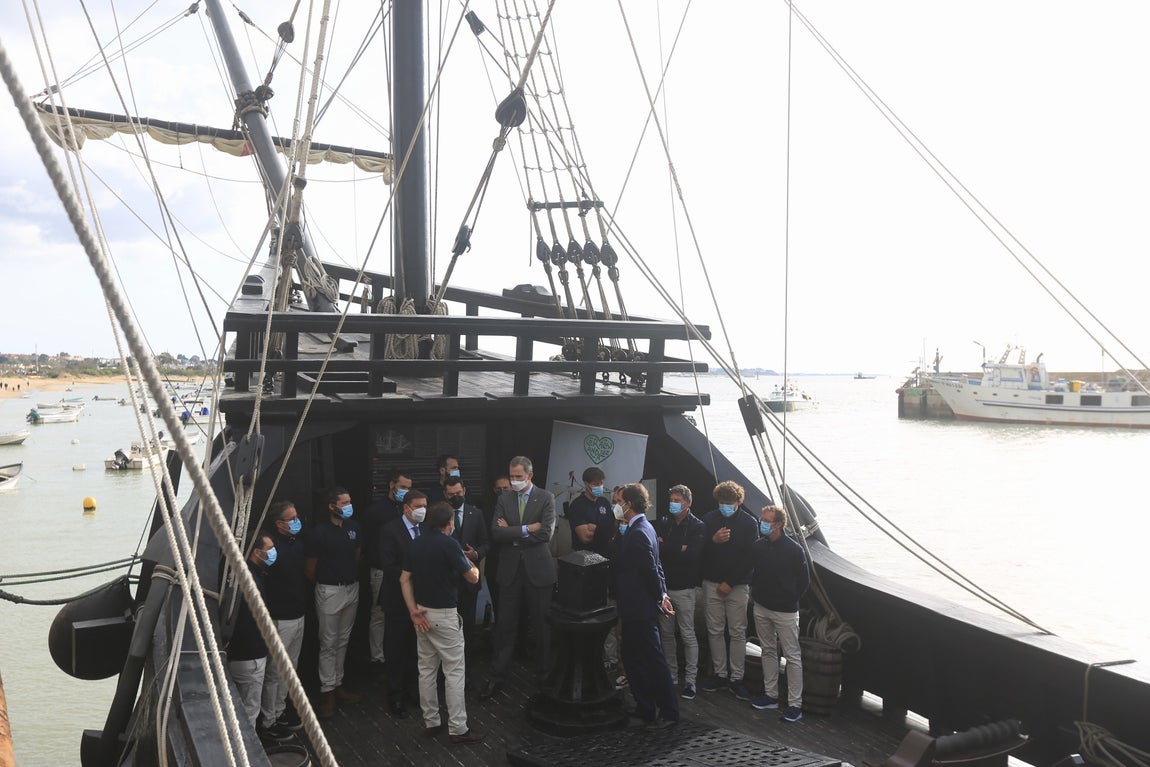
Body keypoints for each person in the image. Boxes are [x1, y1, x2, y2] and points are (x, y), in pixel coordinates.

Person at [400, 501, 486, 745]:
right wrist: (473, 565)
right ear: (449, 523)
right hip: (445, 616)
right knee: (454, 672)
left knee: (426, 670)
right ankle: (458, 728)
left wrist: (413, 611)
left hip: (422, 614)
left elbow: (404, 579)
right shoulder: (450, 544)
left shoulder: (416, 544)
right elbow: (471, 578)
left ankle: (431, 722)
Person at [479, 456, 556, 699]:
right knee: (505, 625)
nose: (514, 482)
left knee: (543, 626)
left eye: (518, 477)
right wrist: (526, 528)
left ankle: (545, 677)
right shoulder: (504, 498)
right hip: (510, 570)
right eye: (512, 477)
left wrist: (512, 532)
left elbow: (545, 533)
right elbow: (495, 532)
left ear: (530, 476)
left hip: (538, 570)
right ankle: (497, 676)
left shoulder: (546, 498)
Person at [613, 483, 679, 727]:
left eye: (619, 502)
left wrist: (659, 597)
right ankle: (645, 706)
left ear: (629, 504)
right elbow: (657, 565)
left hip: (640, 608)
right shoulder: (645, 527)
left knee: (653, 660)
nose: (616, 506)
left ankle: (670, 712)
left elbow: (650, 569)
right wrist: (662, 594)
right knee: (632, 659)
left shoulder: (639, 532)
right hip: (633, 607)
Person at [305, 486, 362, 718]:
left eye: (349, 502)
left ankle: (338, 684)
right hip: (329, 590)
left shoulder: (354, 528)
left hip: (351, 588)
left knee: (343, 639)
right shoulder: (319, 533)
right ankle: (327, 691)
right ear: (332, 506)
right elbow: (310, 568)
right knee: (328, 642)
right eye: (344, 503)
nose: (348, 506)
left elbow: (356, 556)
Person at [750, 504, 811, 723]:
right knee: (767, 650)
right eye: (762, 519)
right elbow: (753, 570)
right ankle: (771, 695)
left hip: (785, 611)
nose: (762, 524)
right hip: (762, 606)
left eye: (766, 521)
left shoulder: (795, 550)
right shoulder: (758, 547)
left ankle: (795, 704)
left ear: (778, 524)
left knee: (792, 656)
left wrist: (789, 597)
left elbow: (804, 581)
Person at [698, 480, 757, 701]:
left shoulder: (750, 524)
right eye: (721, 502)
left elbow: (750, 558)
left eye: (729, 503)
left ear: (738, 502)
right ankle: (721, 674)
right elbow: (700, 550)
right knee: (714, 630)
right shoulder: (710, 520)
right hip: (712, 582)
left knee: (737, 631)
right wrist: (713, 541)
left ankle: (737, 678)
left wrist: (730, 582)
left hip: (738, 585)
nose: (725, 506)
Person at [258, 501, 308, 739]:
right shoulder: (272, 549)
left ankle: (279, 711)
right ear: (279, 523)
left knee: (291, 669)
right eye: (292, 518)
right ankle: (269, 720)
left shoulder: (296, 544)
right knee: (275, 672)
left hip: (298, 613)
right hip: (280, 617)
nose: (297, 522)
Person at [379, 489, 428, 718]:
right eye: (419, 506)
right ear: (407, 507)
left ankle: (412, 690)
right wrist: (413, 572)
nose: (422, 510)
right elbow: (388, 565)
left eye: (425, 506)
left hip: (421, 600)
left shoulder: (426, 529)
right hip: (397, 600)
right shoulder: (390, 530)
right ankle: (395, 696)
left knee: (415, 649)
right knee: (396, 648)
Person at [654, 484, 705, 700]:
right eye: (672, 499)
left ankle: (690, 681)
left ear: (688, 503)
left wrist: (669, 546)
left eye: (678, 500)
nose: (673, 503)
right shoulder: (664, 522)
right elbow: (657, 548)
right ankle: (671, 675)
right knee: (666, 634)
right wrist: (678, 547)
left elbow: (692, 554)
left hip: (685, 589)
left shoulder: (698, 526)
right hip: (665, 589)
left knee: (687, 634)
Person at [362, 470, 413, 674]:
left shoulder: (407, 509)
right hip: (381, 569)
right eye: (403, 487)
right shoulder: (376, 511)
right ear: (392, 485)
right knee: (379, 613)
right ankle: (378, 657)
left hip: (406, 570)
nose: (405, 491)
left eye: (409, 488)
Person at [444, 476, 489, 678]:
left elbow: (486, 543)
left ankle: (467, 672)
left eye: (459, 493)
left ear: (465, 490)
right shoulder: (439, 514)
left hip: (470, 583)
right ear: (445, 494)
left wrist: (476, 554)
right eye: (451, 494)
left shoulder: (476, 513)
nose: (455, 497)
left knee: (468, 629)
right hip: (447, 584)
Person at [228, 533, 274, 728]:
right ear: (257, 552)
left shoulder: (240, 575)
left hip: (236, 656)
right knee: (249, 712)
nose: (273, 552)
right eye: (270, 549)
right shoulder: (252, 582)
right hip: (251, 659)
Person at [567, 466, 614, 559]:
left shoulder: (604, 502)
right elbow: (585, 538)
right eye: (595, 484)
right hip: (585, 557)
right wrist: (605, 531)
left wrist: (594, 528)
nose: (600, 486)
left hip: (605, 556)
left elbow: (613, 531)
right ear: (586, 484)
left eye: (601, 483)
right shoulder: (577, 505)